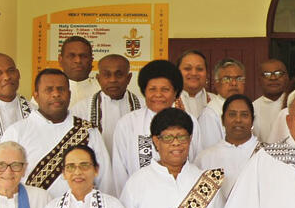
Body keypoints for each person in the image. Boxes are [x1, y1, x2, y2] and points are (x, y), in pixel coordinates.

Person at [1, 68, 113, 197]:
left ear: (69, 94)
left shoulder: (88, 131)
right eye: (49, 89)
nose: (56, 94)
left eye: (61, 89)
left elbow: (105, 182)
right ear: (36, 95)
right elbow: (3, 181)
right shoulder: (16, 132)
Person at [112, 59, 203, 192]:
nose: (158, 95)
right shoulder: (127, 123)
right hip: (140, 196)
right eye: (152, 89)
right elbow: (119, 171)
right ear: (144, 91)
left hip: (182, 196)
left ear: (175, 92)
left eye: (165, 89)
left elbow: (196, 160)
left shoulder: (190, 121)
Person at [72, 54, 141, 153]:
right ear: (98, 79)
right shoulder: (80, 109)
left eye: (119, 74)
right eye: (107, 75)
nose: (113, 80)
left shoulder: (144, 107)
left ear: (129, 78)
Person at [196, 93, 261, 199]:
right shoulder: (205, 158)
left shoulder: (266, 155)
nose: (238, 120)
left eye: (244, 115)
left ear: (252, 120)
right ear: (222, 120)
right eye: (232, 114)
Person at [0, 53, 32, 187]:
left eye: (11, 71)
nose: (7, 77)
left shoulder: (35, 111)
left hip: (28, 195)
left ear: (18, 74)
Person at [57, 36, 101, 108]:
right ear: (60, 60)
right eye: (71, 56)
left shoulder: (103, 90)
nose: (78, 60)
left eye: (83, 56)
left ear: (91, 60)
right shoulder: (48, 90)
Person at [252, 59, 288, 143]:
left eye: (278, 73)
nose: (273, 78)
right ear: (259, 80)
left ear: (287, 77)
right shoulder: (252, 108)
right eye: (266, 74)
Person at [177, 49, 218, 118]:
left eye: (199, 69)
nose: (194, 73)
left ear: (207, 74)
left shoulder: (216, 102)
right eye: (187, 68)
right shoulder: (168, 102)